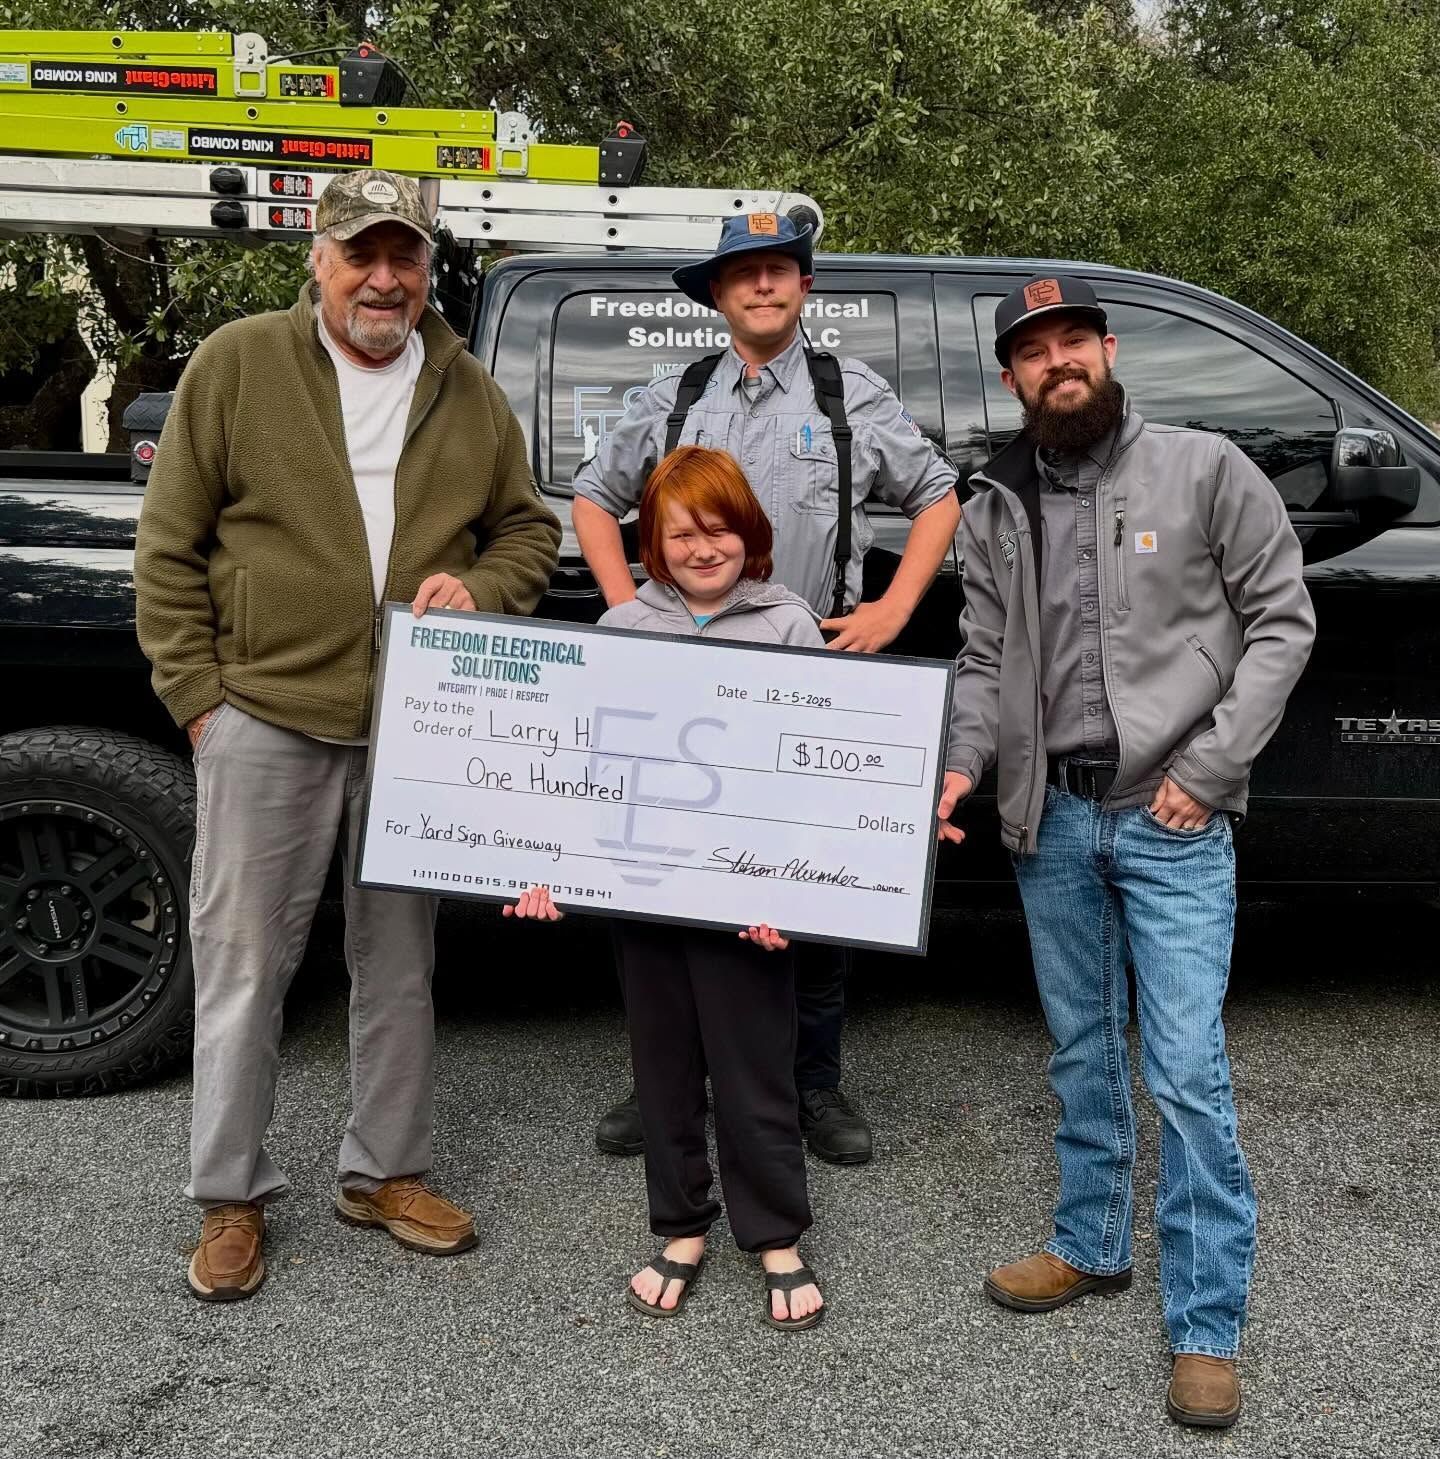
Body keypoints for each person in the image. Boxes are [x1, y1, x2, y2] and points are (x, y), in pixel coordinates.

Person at [134, 169, 562, 1302]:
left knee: (400, 964)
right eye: (360, 254)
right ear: (318, 261)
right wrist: (201, 703)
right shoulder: (237, 363)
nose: (383, 279)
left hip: (414, 728)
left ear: (428, 269)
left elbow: (527, 532)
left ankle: (385, 1173)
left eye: (403, 256)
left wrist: (481, 587)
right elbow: (168, 548)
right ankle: (231, 1196)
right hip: (263, 715)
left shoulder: (468, 390)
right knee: (244, 964)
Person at [937, 276, 1315, 1426]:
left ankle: (1206, 1326)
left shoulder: (1205, 470)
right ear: (1012, 376)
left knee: (1188, 1070)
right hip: (1050, 817)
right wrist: (963, 764)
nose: (1059, 363)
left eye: (1075, 341)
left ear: (1109, 351)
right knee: (1083, 1046)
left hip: (1172, 818)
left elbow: (1282, 620)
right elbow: (982, 658)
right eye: (1034, 350)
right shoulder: (996, 504)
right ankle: (1089, 1242)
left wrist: (1211, 768)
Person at [573, 212, 961, 1164]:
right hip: (683, 694)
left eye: (780, 269)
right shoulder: (675, 397)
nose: (762, 285)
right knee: (669, 887)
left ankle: (811, 1082)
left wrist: (890, 611)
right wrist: (631, 615)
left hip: (806, 680)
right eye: (743, 273)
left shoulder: (848, 394)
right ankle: (668, 1078)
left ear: (804, 286)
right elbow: (591, 496)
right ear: (717, 293)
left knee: (810, 892)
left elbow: (939, 497)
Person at [509, 445, 825, 1329]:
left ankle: (775, 1232)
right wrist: (545, 868)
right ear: (652, 541)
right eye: (681, 534)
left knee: (756, 1067)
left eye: (719, 528)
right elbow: (578, 770)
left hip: (749, 902)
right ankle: (682, 1222)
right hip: (643, 892)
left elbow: (817, 785)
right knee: (663, 1065)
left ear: (750, 532)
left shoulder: (790, 626)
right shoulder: (620, 630)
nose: (702, 547)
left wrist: (794, 895)